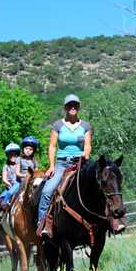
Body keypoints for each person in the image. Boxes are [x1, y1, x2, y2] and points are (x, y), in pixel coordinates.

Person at [37, 94, 92, 239]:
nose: (72, 107)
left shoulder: (85, 126)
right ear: (65, 108)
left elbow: (87, 146)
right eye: (69, 105)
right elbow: (52, 146)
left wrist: (85, 156)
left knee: (99, 184)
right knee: (47, 190)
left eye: (75, 105)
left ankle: (108, 220)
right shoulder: (58, 125)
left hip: (80, 163)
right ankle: (43, 223)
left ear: (78, 107)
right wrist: (51, 166)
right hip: (62, 163)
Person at [0, 143, 21, 223]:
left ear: (17, 155)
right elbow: (4, 179)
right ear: (8, 156)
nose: (12, 157)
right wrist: (8, 184)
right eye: (10, 155)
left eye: (14, 155)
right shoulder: (6, 166)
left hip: (19, 185)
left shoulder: (20, 164)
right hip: (10, 186)